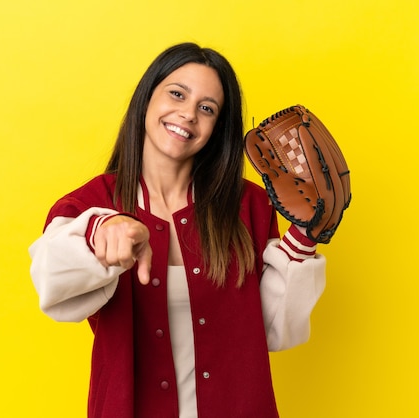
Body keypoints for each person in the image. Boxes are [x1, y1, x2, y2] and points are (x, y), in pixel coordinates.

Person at [28, 42, 326, 418]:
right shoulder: (92, 202)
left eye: (206, 108)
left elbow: (271, 331)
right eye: (176, 94)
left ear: (217, 127)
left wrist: (303, 238)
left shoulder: (249, 205)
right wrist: (102, 230)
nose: (187, 114)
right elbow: (51, 282)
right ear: (147, 99)